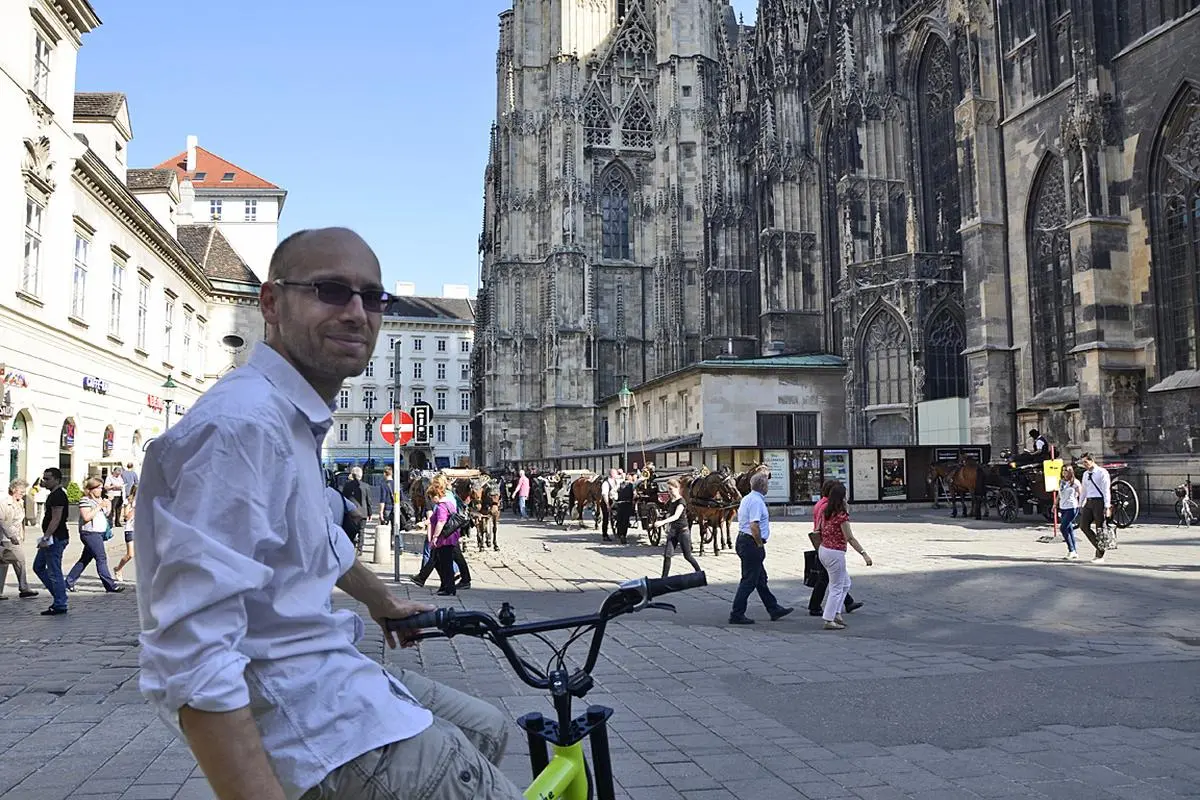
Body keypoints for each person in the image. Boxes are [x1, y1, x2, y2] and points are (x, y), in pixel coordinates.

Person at [135, 228, 522, 800]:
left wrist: (382, 600)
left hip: (332, 676)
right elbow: (193, 659)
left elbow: (319, 537)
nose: (357, 312)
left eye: (372, 297)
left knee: (489, 727)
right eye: (331, 291)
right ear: (271, 303)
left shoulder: (287, 418)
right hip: (315, 722)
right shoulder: (242, 427)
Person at [729, 472, 793, 625]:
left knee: (760, 579)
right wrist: (759, 543)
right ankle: (736, 614)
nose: (768, 487)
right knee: (749, 580)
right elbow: (754, 525)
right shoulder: (757, 502)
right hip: (752, 542)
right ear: (763, 486)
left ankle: (773, 608)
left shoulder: (747, 498)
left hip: (743, 540)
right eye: (767, 484)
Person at [816, 482, 872, 631]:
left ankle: (837, 612)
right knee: (836, 587)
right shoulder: (841, 516)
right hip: (835, 553)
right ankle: (829, 618)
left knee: (845, 583)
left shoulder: (825, 512)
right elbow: (850, 538)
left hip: (824, 549)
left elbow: (818, 530)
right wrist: (864, 554)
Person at [808, 480, 860, 617]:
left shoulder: (820, 504)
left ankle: (846, 603)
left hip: (824, 546)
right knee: (828, 580)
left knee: (836, 579)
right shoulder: (828, 507)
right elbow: (847, 535)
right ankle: (825, 612)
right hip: (830, 546)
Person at [64, 477, 124, 593]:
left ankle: (69, 582)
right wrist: (100, 506)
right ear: (91, 489)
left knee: (85, 559)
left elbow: (105, 514)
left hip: (99, 533)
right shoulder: (85, 500)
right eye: (98, 488)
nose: (101, 490)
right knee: (101, 558)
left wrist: (108, 504)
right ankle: (110, 585)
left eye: (101, 488)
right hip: (90, 533)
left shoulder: (99, 500)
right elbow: (86, 517)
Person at [33, 467, 70, 615]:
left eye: (48, 479)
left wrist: (46, 537)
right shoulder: (53, 495)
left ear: (56, 479)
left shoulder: (58, 496)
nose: (45, 481)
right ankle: (59, 597)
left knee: (54, 572)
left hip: (56, 538)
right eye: (44, 478)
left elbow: (56, 519)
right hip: (51, 538)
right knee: (38, 567)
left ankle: (60, 603)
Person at [0, 479, 39, 599]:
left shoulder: (20, 502)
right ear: (13, 490)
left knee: (8, 563)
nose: (22, 494)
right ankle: (24, 588)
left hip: (16, 537)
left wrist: (21, 536)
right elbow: (2, 521)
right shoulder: (4, 503)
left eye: (23, 492)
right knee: (16, 561)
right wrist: (11, 536)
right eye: (20, 491)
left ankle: (20, 588)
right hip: (7, 538)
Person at [656, 478, 701, 579]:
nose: (669, 492)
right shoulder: (671, 500)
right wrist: (665, 520)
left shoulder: (681, 501)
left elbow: (676, 516)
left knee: (687, 556)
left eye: (671, 489)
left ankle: (699, 572)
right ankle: (664, 579)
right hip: (673, 532)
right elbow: (669, 514)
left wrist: (662, 522)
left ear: (677, 488)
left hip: (683, 532)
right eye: (668, 489)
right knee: (667, 555)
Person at [1077, 453, 1112, 563]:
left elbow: (1106, 490)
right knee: (1083, 526)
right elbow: (1084, 490)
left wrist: (1107, 506)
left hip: (1099, 501)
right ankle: (1100, 546)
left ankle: (1100, 555)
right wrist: (1080, 503)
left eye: (1086, 462)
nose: (1084, 465)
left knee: (1099, 528)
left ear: (1092, 461)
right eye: (1083, 463)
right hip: (1089, 501)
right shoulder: (1085, 474)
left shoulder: (1102, 472)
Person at [113, 484, 138, 582]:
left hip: (140, 530)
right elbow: (126, 517)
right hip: (130, 529)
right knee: (130, 554)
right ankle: (118, 568)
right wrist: (135, 509)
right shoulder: (129, 501)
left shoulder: (145, 501)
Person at [1057, 465, 1082, 561]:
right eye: (1063, 471)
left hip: (1072, 507)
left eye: (1066, 471)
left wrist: (1081, 506)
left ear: (1071, 472)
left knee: (1063, 528)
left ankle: (1071, 550)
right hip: (1063, 507)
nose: (1064, 473)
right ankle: (1074, 551)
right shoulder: (1062, 482)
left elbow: (1081, 494)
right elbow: (1059, 494)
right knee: (1069, 528)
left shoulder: (1075, 483)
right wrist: (1055, 504)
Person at [612, 473, 636, 545]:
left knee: (621, 519)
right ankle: (623, 535)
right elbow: (635, 494)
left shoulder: (620, 484)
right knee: (625, 520)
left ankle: (620, 534)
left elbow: (613, 492)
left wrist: (615, 499)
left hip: (620, 503)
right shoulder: (631, 485)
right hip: (627, 504)